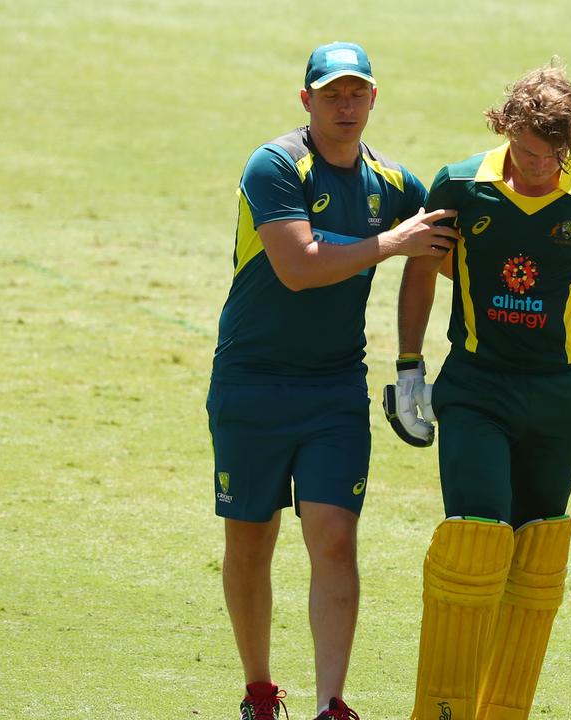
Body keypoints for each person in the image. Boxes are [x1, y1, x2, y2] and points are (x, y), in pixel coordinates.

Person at [393, 62, 571, 720]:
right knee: (475, 542)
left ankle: (503, 711)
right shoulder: (459, 183)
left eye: (550, 157)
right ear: (506, 130)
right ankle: (444, 710)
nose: (537, 168)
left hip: (560, 398)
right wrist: (407, 367)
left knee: (535, 562)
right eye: (525, 152)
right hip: (477, 390)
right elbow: (424, 274)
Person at [206, 41, 463, 720]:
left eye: (357, 94)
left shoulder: (394, 183)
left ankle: (331, 704)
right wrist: (393, 243)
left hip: (334, 389)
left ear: (374, 98)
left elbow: (449, 257)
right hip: (252, 383)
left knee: (336, 537)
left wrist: (564, 290)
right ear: (306, 101)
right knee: (251, 537)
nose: (345, 108)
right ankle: (259, 691)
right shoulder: (276, 166)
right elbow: (298, 266)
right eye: (331, 95)